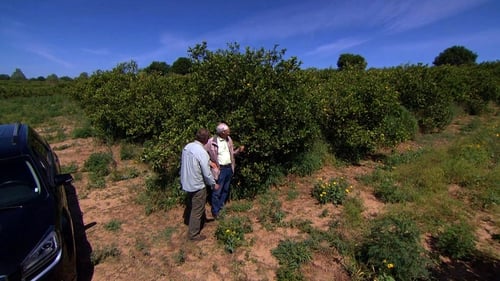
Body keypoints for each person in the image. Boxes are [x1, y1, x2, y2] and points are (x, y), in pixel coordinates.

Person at [180, 128, 218, 241]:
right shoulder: (202, 152)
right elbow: (206, 173)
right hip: (197, 184)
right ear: (206, 140)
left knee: (194, 205)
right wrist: (213, 183)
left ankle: (202, 220)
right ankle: (193, 234)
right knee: (197, 209)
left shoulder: (188, 147)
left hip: (187, 182)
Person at [205, 123, 244, 219]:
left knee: (225, 190)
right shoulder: (211, 142)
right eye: (228, 131)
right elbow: (202, 153)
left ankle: (220, 208)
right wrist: (210, 163)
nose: (229, 132)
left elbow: (232, 153)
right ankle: (215, 212)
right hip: (220, 170)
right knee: (217, 190)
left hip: (229, 168)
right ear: (222, 132)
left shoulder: (229, 139)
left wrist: (238, 150)